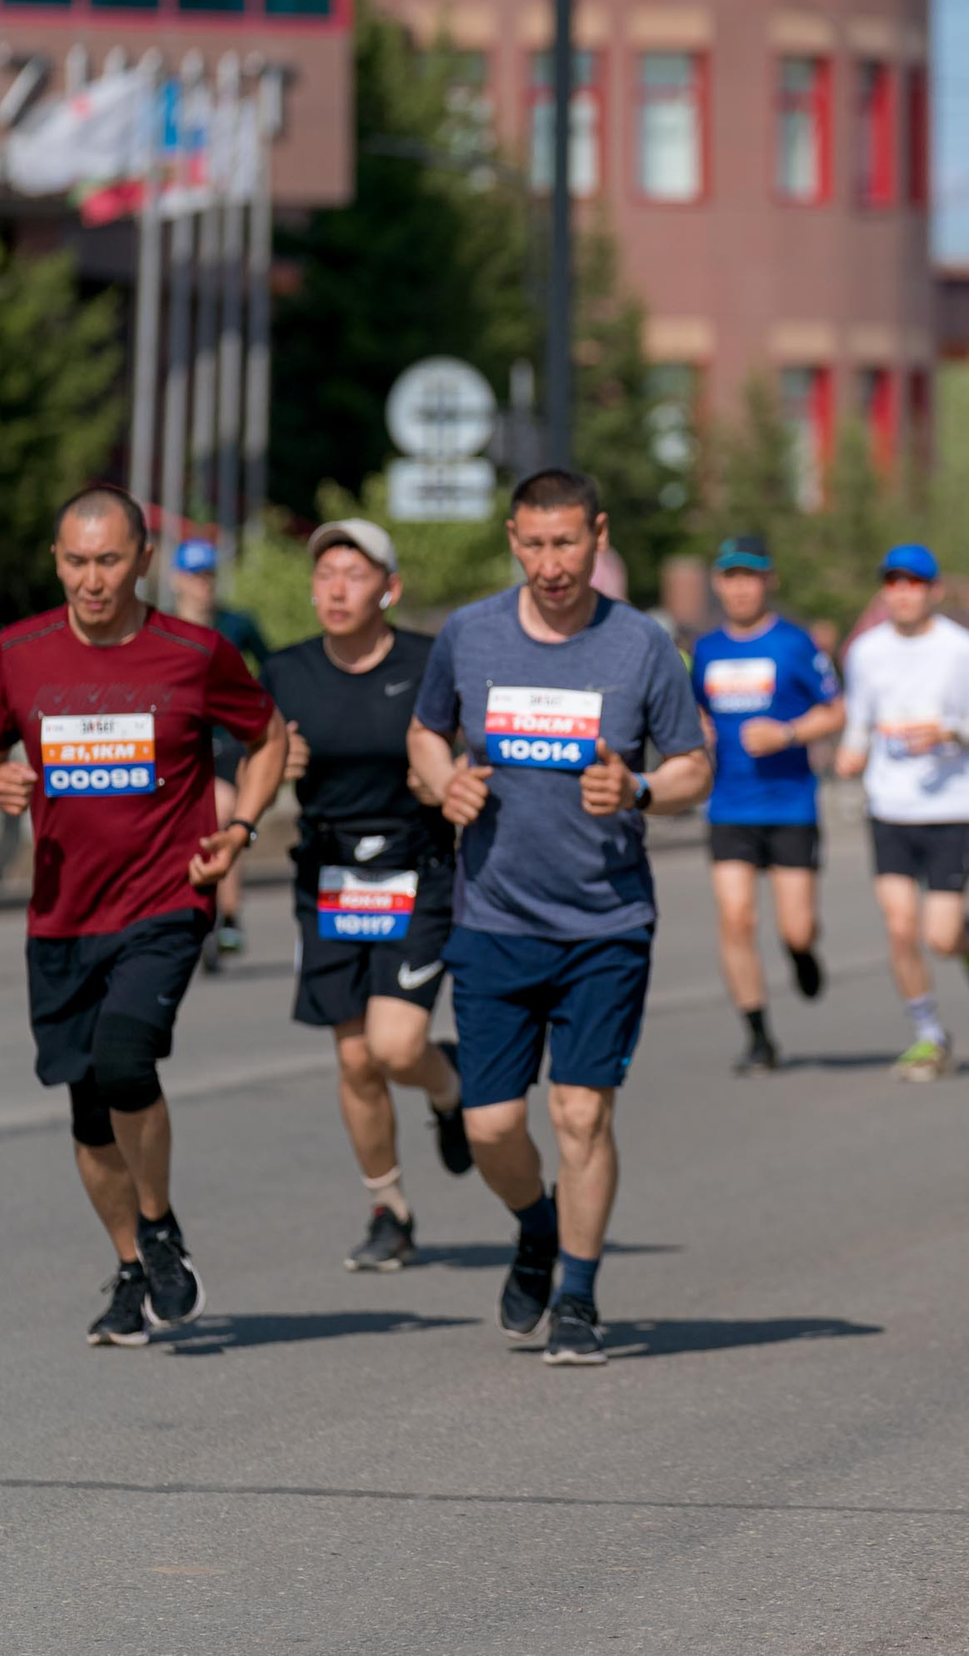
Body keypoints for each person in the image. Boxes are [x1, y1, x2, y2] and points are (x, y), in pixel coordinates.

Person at [0, 487, 287, 1344]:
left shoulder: (195, 651)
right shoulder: (18, 652)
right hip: (62, 913)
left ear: (142, 558)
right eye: (75, 561)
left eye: (108, 560)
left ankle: (160, 1224)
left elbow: (269, 737)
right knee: (88, 1110)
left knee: (125, 1059)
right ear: (56, 560)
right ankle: (134, 1266)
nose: (91, 580)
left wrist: (241, 830)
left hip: (165, 899)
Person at [408, 470, 712, 1366]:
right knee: (492, 1127)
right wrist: (444, 781)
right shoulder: (470, 633)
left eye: (567, 543)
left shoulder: (641, 644)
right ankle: (537, 1227)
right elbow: (426, 731)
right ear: (513, 540)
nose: (551, 565)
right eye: (535, 545)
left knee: (581, 1114)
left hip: (605, 923)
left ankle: (577, 1294)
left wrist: (640, 788)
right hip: (494, 917)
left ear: (598, 536)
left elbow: (694, 768)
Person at [263, 519, 470, 1273]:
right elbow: (240, 764)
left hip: (417, 867)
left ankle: (448, 1088)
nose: (337, 589)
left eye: (355, 574)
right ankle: (389, 1209)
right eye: (325, 575)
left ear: (390, 588)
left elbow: (469, 750)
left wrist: (443, 778)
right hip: (329, 873)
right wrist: (274, 765)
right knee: (355, 1060)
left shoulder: (430, 662)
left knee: (397, 1046)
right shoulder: (284, 672)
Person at [837, 544, 969, 1081]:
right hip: (890, 805)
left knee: (939, 937)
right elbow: (859, 721)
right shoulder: (865, 651)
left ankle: (967, 938)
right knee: (899, 928)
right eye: (893, 583)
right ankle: (928, 1036)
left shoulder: (960, 649)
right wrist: (850, 752)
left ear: (933, 591)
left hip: (953, 807)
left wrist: (948, 732)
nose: (902, 593)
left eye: (913, 583)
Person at [691, 535, 848, 1075]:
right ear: (718, 583)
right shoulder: (706, 650)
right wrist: (699, 729)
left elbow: (836, 711)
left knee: (795, 928)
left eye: (751, 577)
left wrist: (786, 733)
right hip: (729, 806)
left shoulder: (794, 643)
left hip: (789, 805)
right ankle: (758, 1036)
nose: (741, 588)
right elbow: (695, 710)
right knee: (735, 919)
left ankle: (802, 953)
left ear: (768, 581)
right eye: (731, 577)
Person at [171, 538, 272, 969]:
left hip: (225, 743)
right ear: (177, 580)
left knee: (223, 812)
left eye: (209, 575)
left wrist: (261, 716)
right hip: (175, 746)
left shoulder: (236, 625)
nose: (203, 584)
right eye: (195, 576)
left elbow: (273, 668)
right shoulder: (157, 628)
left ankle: (228, 915)